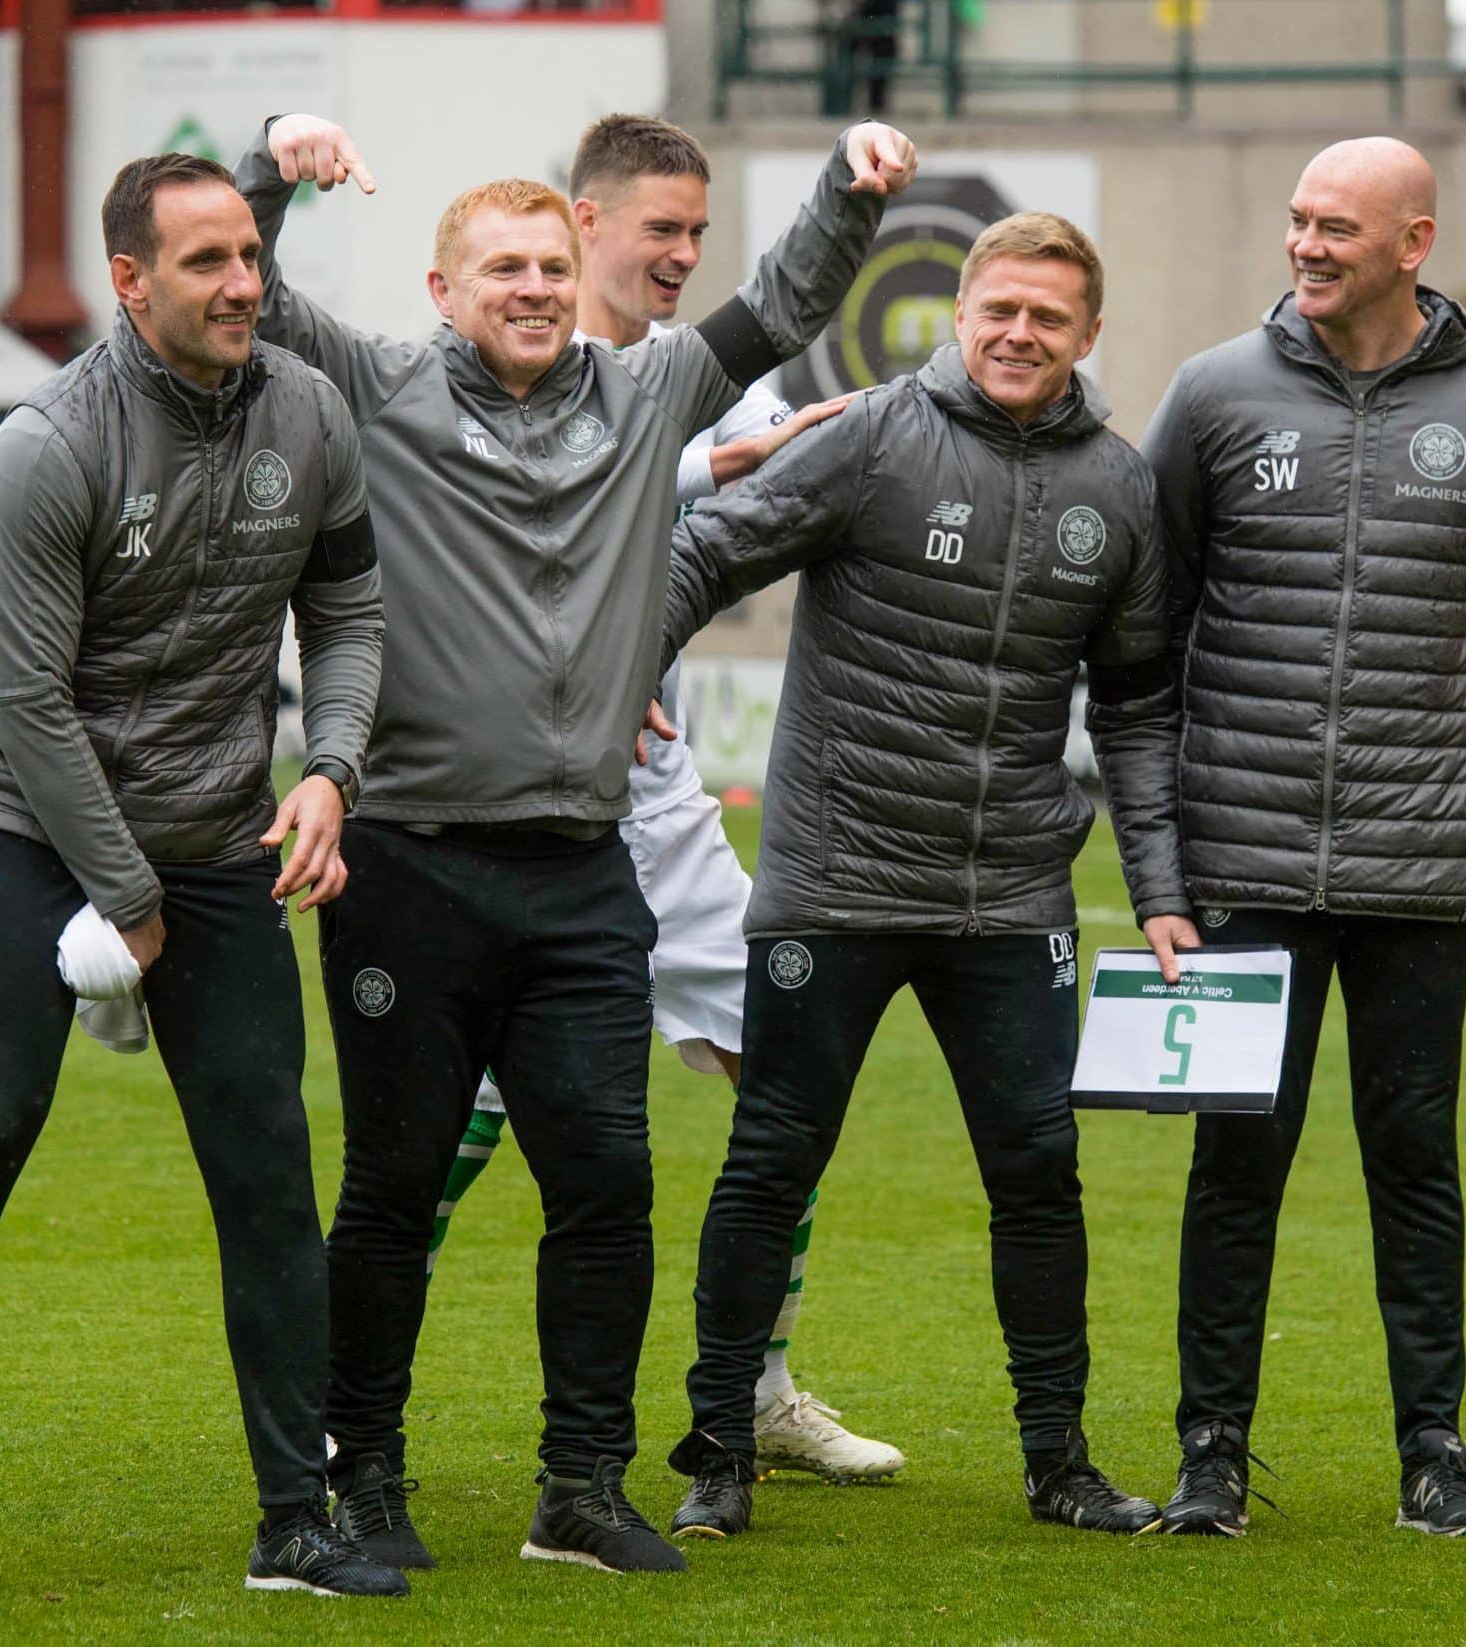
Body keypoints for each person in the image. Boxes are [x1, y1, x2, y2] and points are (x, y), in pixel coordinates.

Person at [233, 110, 916, 1575]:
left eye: (550, 265)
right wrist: (270, 165)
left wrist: (850, 190)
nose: (535, 288)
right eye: (503, 268)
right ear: (442, 289)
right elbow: (258, 299)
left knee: (605, 1184)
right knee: (394, 1186)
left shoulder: (651, 388)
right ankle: (364, 1473)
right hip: (411, 860)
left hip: (583, 867)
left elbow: (780, 304)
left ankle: (581, 1490)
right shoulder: (380, 384)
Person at [0, 154, 401, 1599]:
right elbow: (27, 701)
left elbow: (347, 608)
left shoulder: (310, 413)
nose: (243, 284)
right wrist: (127, 906)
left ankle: (295, 1517)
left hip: (213, 830)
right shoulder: (50, 440)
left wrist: (331, 768)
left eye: (250, 257)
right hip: (24, 820)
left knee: (265, 1162)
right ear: (130, 281)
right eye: (208, 262)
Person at [655, 211, 1197, 1543]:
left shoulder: (1120, 487)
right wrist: (621, 678)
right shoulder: (874, 436)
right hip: (835, 874)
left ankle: (1059, 1462)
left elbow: (1136, 708)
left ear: (1089, 333)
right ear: (959, 314)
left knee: (1039, 1170)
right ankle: (720, 1449)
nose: (1019, 333)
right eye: (998, 308)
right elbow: (701, 551)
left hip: (1010, 892)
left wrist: (1161, 886)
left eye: (1048, 316)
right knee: (773, 1156)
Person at [426, 114, 905, 1515]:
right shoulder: (482, 379)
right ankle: (346, 1404)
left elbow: (767, 501)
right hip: (502, 810)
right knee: (449, 1118)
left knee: (786, 1068)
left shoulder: (716, 389)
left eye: (699, 233)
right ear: (583, 223)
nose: (685, 255)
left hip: (653, 806)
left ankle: (755, 1389)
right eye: (662, 230)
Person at [1142, 137, 1466, 1539]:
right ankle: (1211, 1450)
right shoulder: (1212, 392)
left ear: (1412, 242)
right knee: (1236, 1162)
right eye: (1296, 220)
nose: (1306, 245)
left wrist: (1421, 727)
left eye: (1335, 225)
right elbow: (1158, 606)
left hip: (1421, 857)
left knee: (1413, 1155)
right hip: (1245, 848)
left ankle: (1434, 1454)